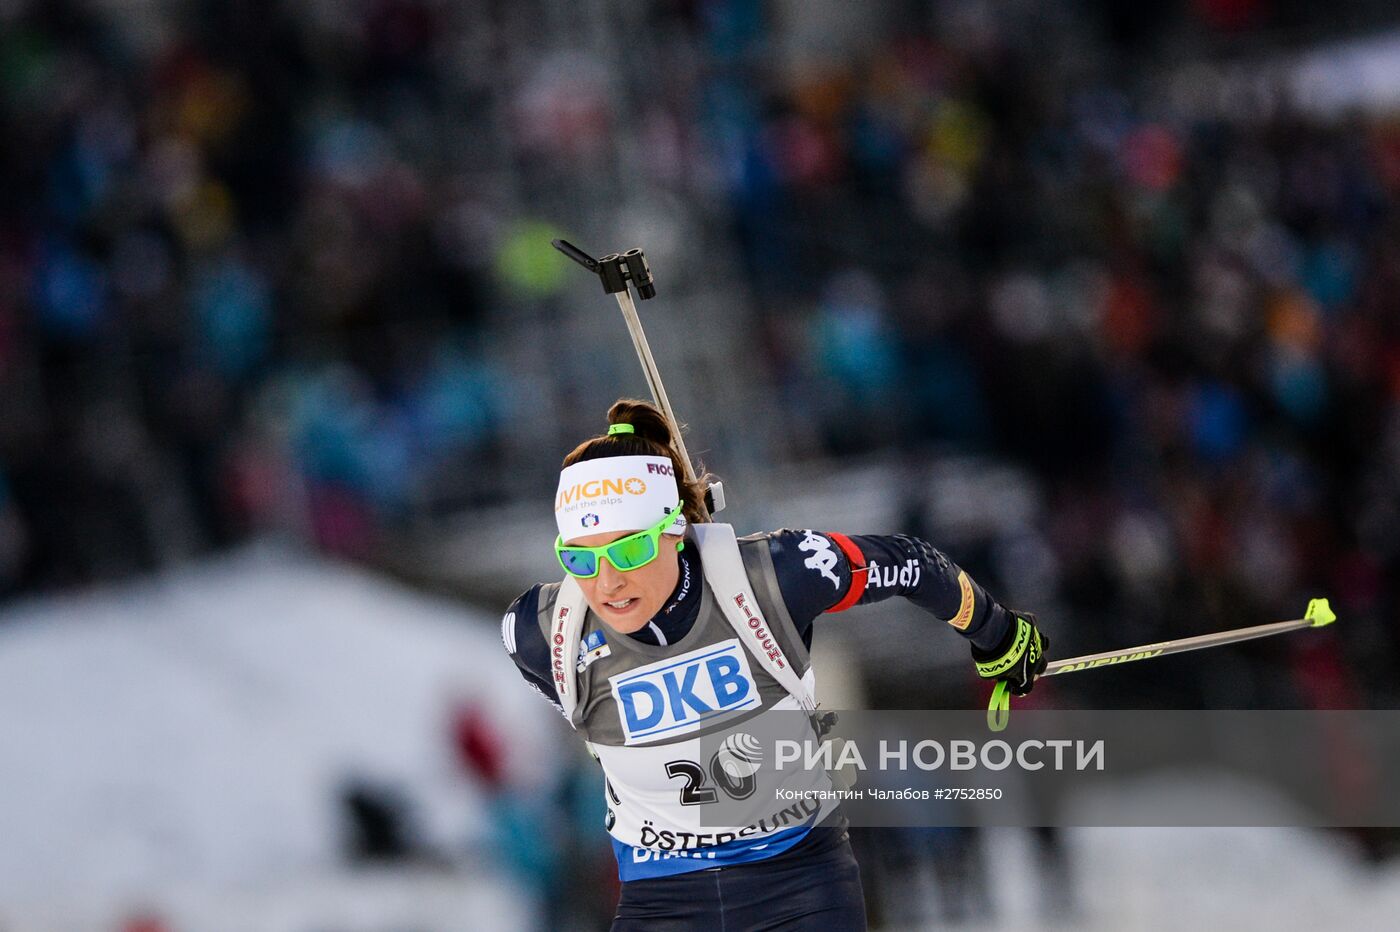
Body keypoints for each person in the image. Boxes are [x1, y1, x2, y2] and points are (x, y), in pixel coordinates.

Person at [502, 398, 1049, 930]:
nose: (607, 582)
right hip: (661, 901)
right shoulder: (539, 631)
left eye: (628, 551)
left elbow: (908, 563)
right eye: (579, 557)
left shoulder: (776, 577)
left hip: (798, 886)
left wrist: (996, 635)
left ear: (674, 529)